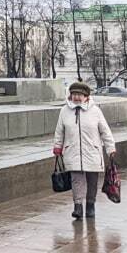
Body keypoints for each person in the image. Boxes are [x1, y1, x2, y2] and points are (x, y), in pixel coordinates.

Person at [52, 81, 116, 221]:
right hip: (72, 152)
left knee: (92, 181)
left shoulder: (95, 111)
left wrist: (110, 147)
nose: (77, 97)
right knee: (76, 180)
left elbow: (105, 131)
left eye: (80, 95)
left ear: (86, 96)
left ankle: (90, 205)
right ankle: (78, 206)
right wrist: (58, 146)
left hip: (92, 151)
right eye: (74, 94)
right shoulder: (64, 111)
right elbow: (59, 131)